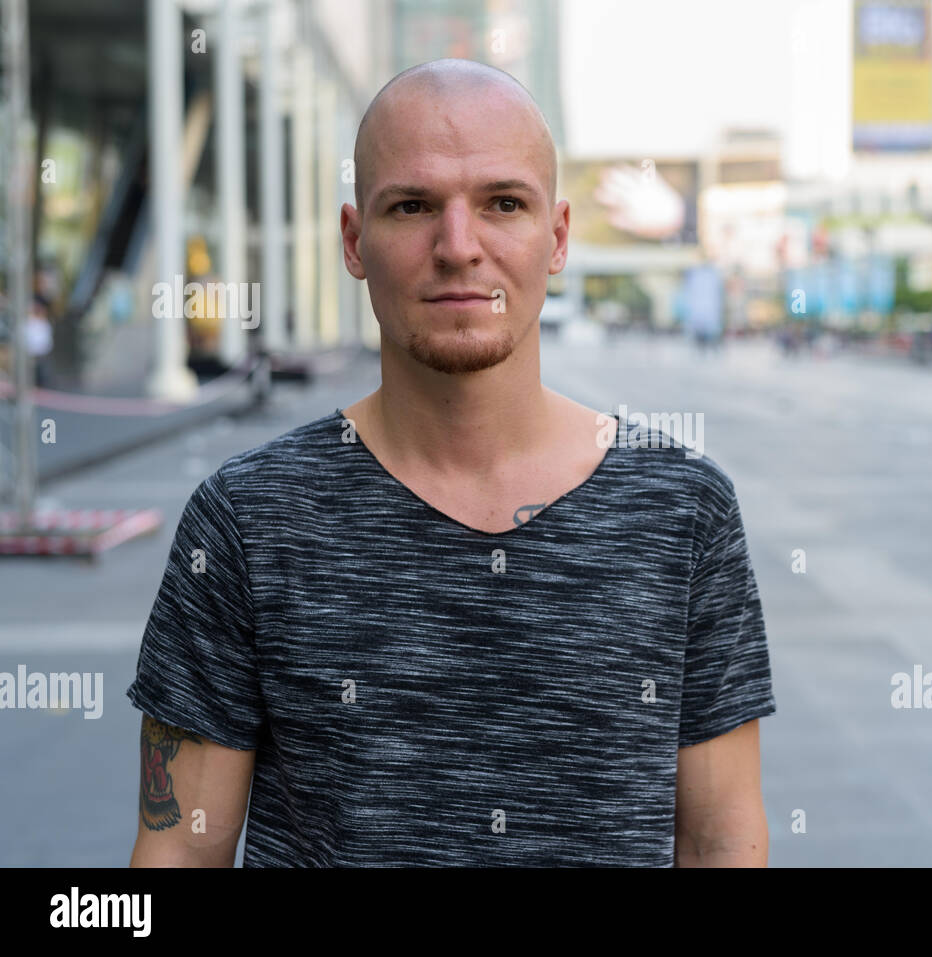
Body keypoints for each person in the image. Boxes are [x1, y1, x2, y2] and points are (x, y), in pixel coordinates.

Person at [126, 58, 776, 868]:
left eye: (503, 203)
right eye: (413, 206)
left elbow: (722, 842)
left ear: (559, 236)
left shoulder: (684, 510)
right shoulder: (248, 519)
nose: (459, 247)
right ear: (355, 241)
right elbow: (180, 852)